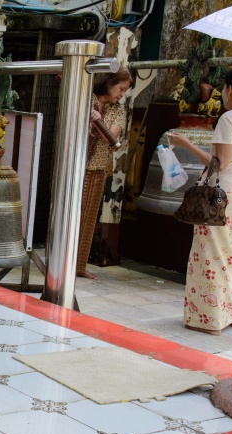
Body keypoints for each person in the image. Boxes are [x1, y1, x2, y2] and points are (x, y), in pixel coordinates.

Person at [168, 68, 232, 336]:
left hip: (220, 196)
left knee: (209, 257)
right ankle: (229, 314)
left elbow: (220, 164)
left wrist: (187, 144)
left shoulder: (230, 119)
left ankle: (207, 319)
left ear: (230, 89)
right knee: (230, 256)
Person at [77, 67, 133, 279]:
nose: (121, 94)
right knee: (65, 213)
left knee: (88, 218)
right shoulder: (86, 98)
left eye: (125, 91)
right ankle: (58, 261)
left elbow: (113, 139)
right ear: (109, 83)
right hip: (73, 164)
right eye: (120, 88)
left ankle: (79, 265)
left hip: (96, 168)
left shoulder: (118, 110)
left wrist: (97, 120)